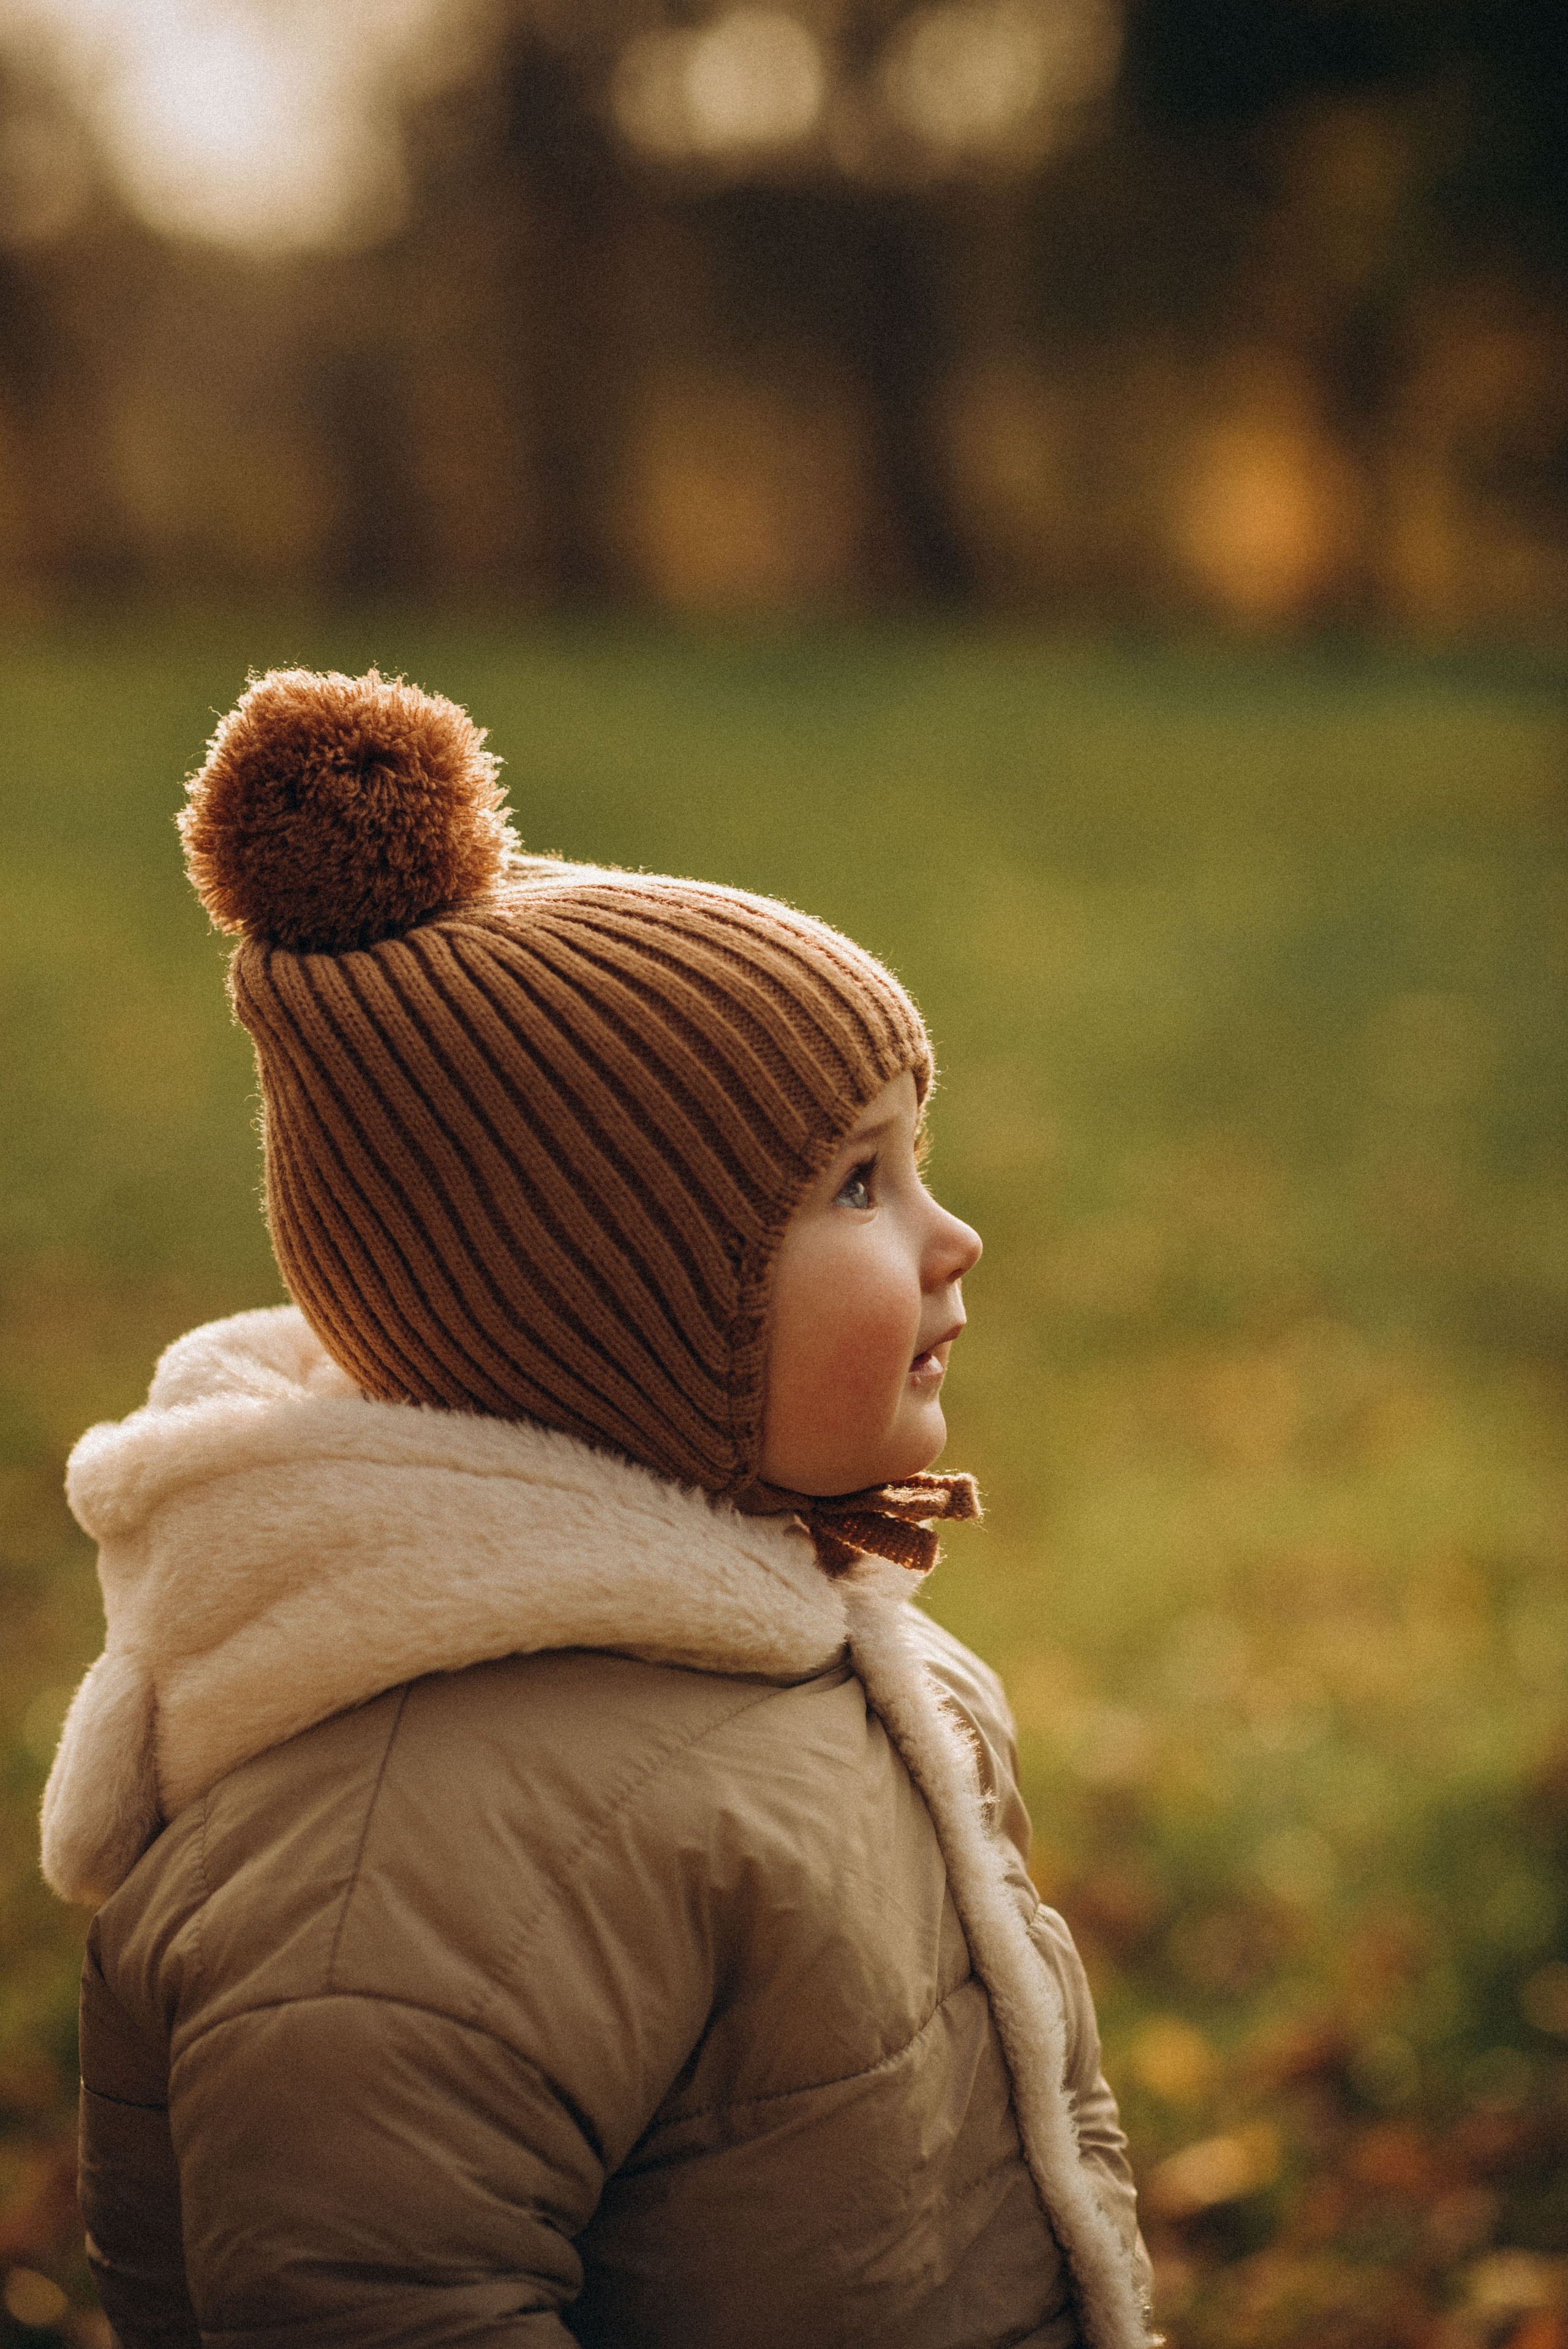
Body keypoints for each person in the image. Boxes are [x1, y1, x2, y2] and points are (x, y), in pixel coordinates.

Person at [42, 668, 1155, 2348]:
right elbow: (375, 2299)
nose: (953, 1238)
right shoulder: (406, 1862)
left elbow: (1041, 2106)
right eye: (860, 1183)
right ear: (611, 1310)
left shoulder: (846, 1642)